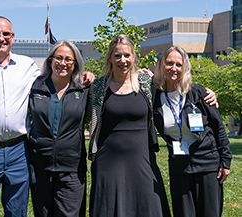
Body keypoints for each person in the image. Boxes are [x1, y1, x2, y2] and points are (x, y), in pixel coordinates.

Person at [0, 16, 94, 216]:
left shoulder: (27, 67)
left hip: (19, 151)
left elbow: (58, 76)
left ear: (13, 37)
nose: (1, 38)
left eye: (6, 34)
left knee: (18, 212)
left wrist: (84, 75)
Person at [88, 34, 171, 217]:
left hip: (143, 160)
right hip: (107, 162)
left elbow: (178, 88)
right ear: (110, 58)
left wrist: (204, 92)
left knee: (149, 207)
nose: (122, 60)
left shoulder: (147, 83)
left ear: (134, 57)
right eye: (117, 55)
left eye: (127, 55)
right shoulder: (98, 87)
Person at [152, 45, 232, 217]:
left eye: (179, 65)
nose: (174, 68)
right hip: (179, 165)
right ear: (161, 65)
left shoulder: (198, 92)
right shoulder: (155, 96)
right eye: (169, 63)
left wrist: (225, 161)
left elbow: (219, 128)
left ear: (185, 68)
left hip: (207, 163)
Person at [28, 40, 89, 217]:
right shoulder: (35, 87)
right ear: (50, 60)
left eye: (68, 59)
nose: (63, 63)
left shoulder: (84, 89)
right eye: (58, 58)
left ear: (75, 64)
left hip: (72, 167)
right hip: (40, 166)